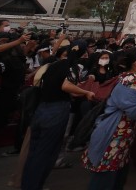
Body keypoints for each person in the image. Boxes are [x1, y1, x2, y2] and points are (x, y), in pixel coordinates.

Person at [21, 43, 97, 190]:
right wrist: (86, 92)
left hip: (42, 109)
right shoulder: (72, 67)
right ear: (83, 55)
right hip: (56, 110)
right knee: (47, 152)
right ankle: (34, 185)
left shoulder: (53, 65)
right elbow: (66, 86)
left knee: (35, 151)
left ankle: (28, 184)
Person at [83, 47, 136, 190]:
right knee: (104, 180)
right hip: (113, 136)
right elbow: (133, 111)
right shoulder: (131, 80)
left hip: (121, 137)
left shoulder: (131, 77)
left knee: (114, 178)